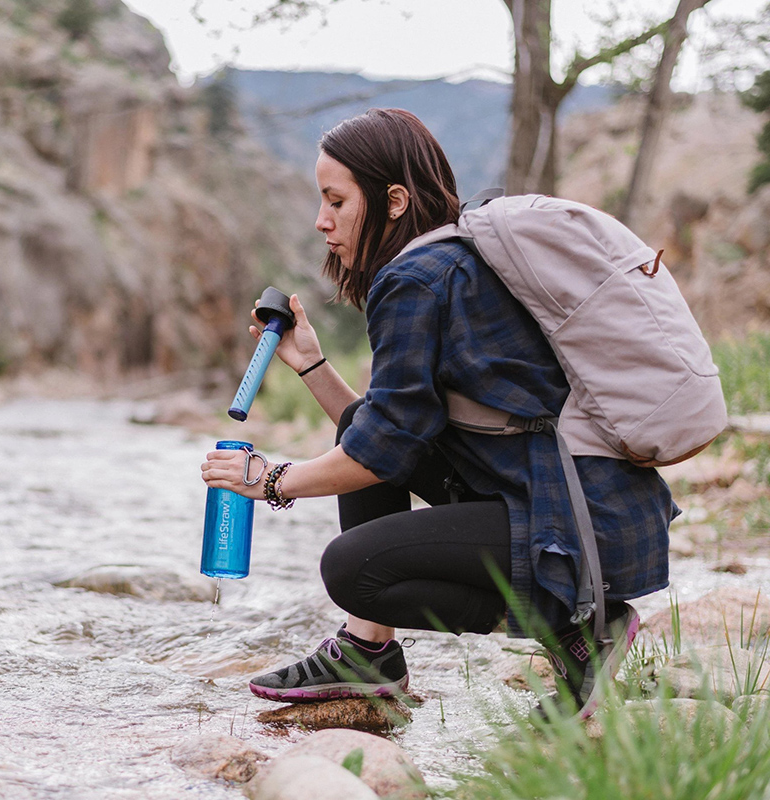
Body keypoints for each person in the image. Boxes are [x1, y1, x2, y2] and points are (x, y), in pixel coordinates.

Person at [201, 108, 677, 719]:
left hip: (576, 529)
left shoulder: (416, 280)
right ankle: (365, 655)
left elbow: (380, 455)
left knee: (352, 570)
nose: (322, 221)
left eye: (336, 202)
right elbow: (380, 430)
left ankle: (578, 633)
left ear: (394, 200)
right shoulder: (449, 261)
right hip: (598, 514)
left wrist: (268, 481)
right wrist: (313, 366)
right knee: (354, 427)